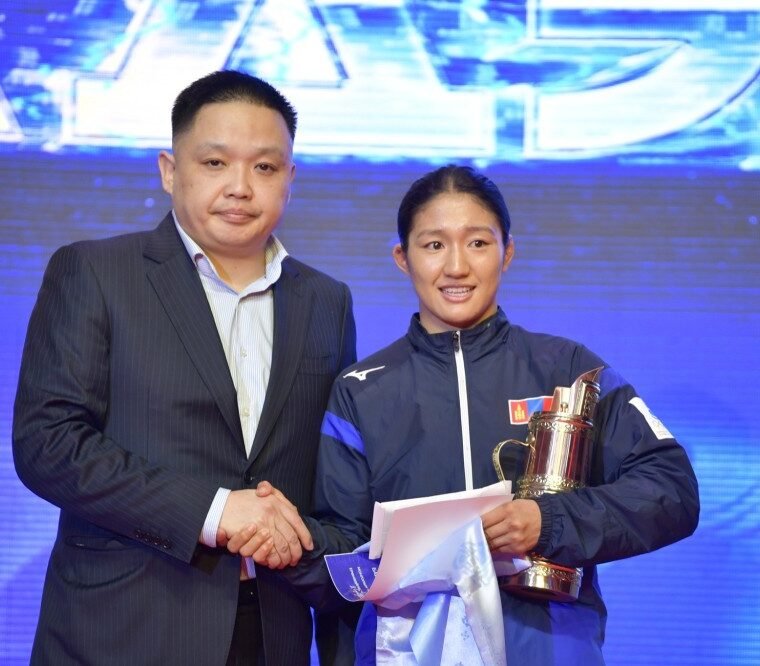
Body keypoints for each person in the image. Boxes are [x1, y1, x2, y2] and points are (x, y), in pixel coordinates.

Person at [276, 165, 699, 664]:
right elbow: (345, 548)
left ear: (508, 252)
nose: (456, 267)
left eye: (478, 243)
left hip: (549, 650)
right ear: (402, 258)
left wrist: (548, 522)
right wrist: (282, 540)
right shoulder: (360, 391)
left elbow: (672, 489)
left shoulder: (568, 369)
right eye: (434, 245)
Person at [12, 70, 356, 665]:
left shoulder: (327, 301)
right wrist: (216, 511)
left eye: (264, 167)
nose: (240, 188)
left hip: (272, 628)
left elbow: (335, 473)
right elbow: (49, 444)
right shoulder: (95, 272)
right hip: (124, 627)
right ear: (170, 171)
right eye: (215, 163)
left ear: (290, 179)